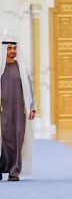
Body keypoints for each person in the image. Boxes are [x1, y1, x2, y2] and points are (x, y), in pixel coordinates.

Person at [0, 40, 35, 181]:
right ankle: (3, 166)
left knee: (18, 138)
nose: (12, 51)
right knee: (4, 139)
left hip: (20, 110)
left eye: (14, 48)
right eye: (9, 48)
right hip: (3, 110)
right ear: (4, 50)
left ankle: (14, 171)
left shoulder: (23, 69)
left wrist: (32, 108)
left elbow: (30, 91)